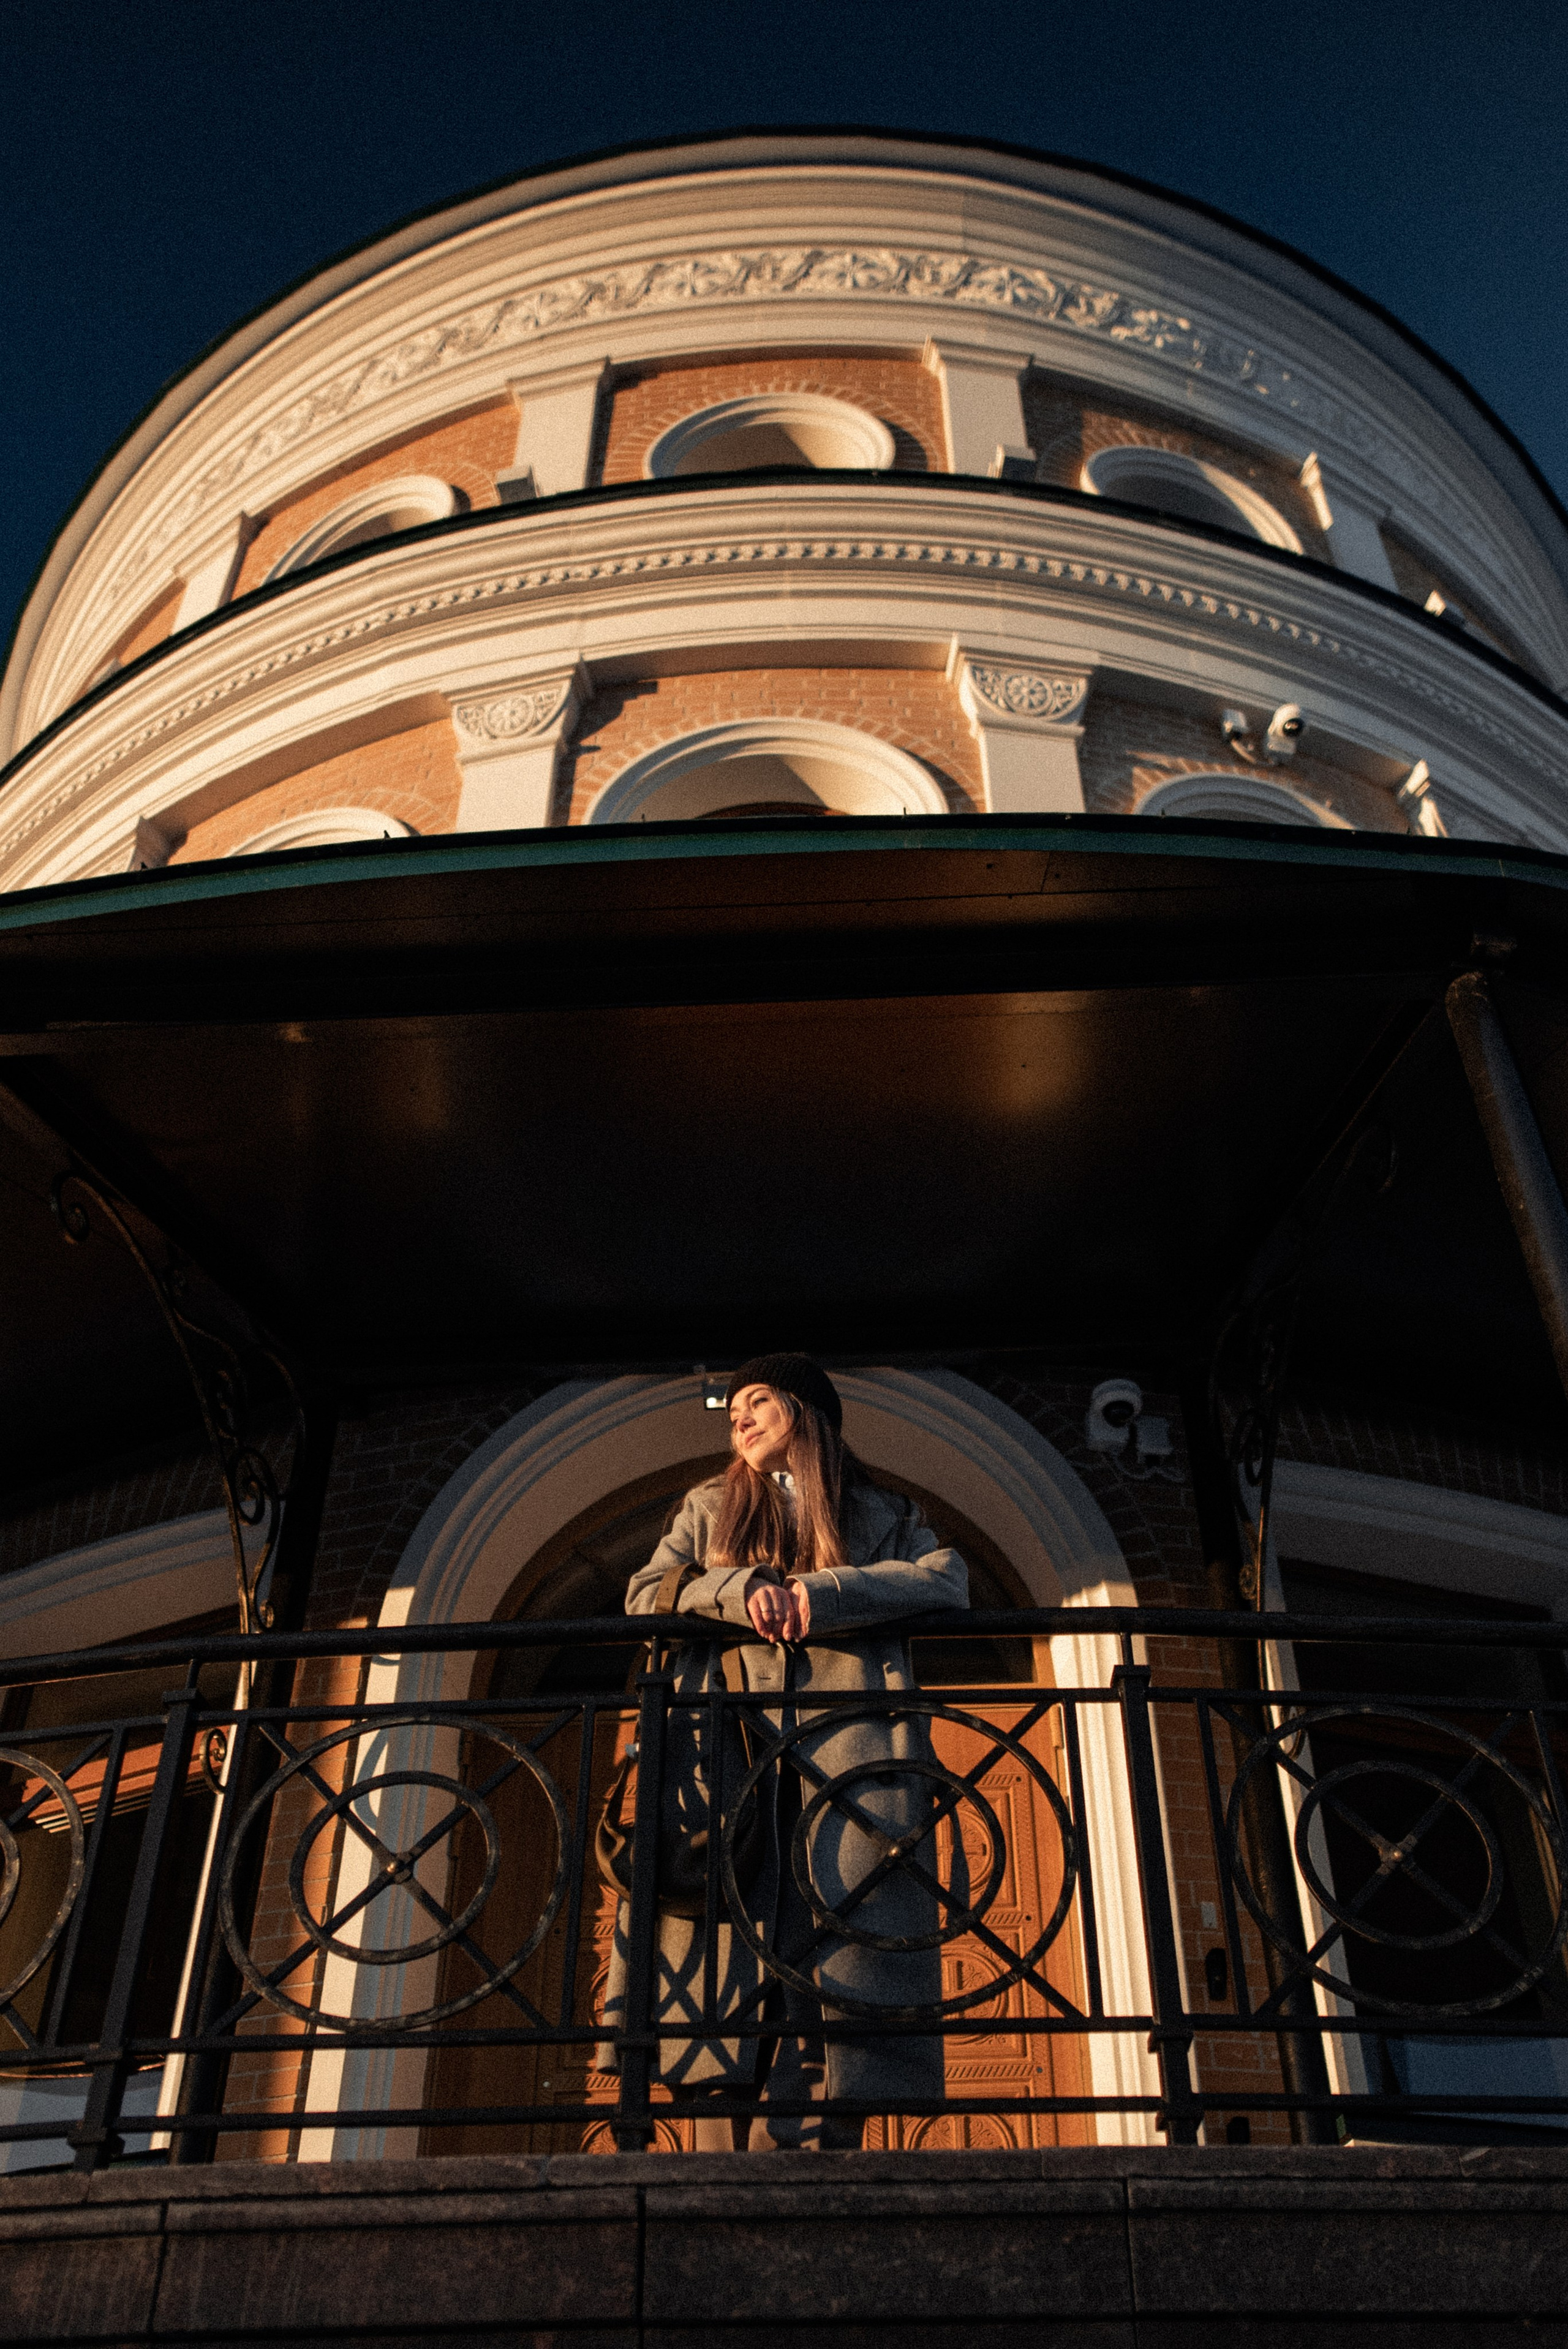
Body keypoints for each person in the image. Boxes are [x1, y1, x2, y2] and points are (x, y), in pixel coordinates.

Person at [598, 1353, 968, 2151]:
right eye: (732, 1408)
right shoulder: (709, 1505)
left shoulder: (881, 1514)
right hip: (728, 1760)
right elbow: (644, 1593)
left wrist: (824, 1595)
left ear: (805, 1410)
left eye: (757, 1401)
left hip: (849, 1764)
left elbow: (947, 1581)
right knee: (726, 1961)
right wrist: (741, 1590)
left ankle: (833, 2156)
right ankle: (718, 2162)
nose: (738, 1418)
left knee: (839, 1955)